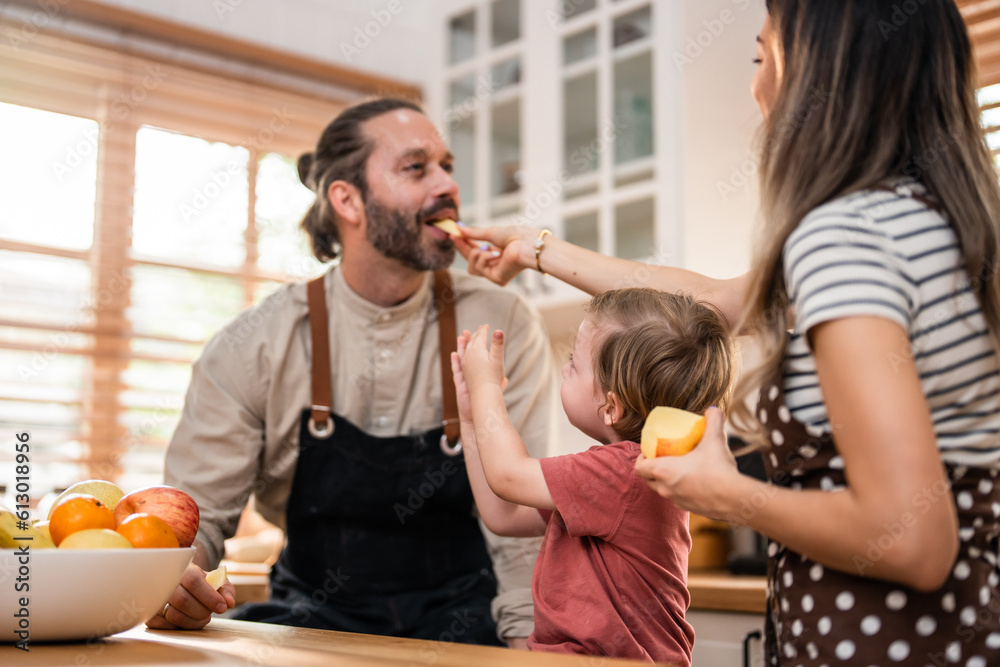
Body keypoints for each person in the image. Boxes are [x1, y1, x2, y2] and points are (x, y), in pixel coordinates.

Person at [454, 1, 1000, 664]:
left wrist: (728, 493)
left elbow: (909, 537)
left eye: (761, 55)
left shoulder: (848, 238)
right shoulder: (915, 222)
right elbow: (710, 297)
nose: (756, 83)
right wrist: (533, 245)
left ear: (818, 73)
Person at [150, 98, 559, 648]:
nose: (447, 185)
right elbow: (189, 524)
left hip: (464, 625)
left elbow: (522, 531)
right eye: (416, 168)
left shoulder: (503, 322)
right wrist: (174, 582)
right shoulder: (253, 345)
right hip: (309, 624)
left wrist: (529, 650)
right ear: (347, 199)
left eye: (447, 166)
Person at [451, 288, 737, 664]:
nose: (565, 367)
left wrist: (487, 388)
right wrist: (473, 421)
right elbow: (502, 516)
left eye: (574, 363)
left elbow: (508, 476)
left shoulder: (623, 473)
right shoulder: (614, 475)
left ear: (611, 407)